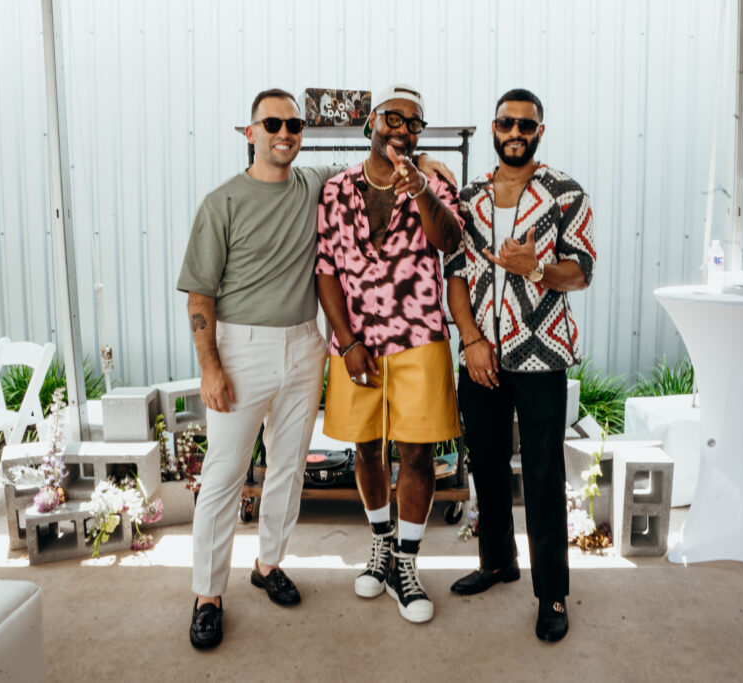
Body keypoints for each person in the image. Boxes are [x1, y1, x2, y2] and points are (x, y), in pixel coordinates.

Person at [177, 87, 452, 650]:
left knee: (287, 468)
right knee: (225, 474)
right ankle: (207, 595)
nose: (284, 133)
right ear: (250, 133)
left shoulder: (316, 184)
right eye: (272, 124)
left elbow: (393, 170)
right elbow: (200, 295)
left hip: (305, 343)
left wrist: (422, 163)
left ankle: (269, 565)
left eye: (294, 125)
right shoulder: (222, 202)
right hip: (243, 347)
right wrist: (210, 366)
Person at [444, 88, 595, 643]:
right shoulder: (470, 198)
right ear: (493, 128)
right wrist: (470, 340)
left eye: (525, 126)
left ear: (539, 132)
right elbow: (455, 274)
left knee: (542, 474)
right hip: (481, 353)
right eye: (506, 123)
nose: (515, 133)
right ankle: (497, 560)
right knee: (485, 462)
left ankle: (551, 591)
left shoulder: (565, 194)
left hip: (541, 355)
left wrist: (535, 268)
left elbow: (581, 271)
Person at [316, 83, 464, 624]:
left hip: (418, 338)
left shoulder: (434, 184)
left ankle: (406, 563)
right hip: (356, 344)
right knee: (365, 450)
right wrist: (348, 342)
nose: (403, 130)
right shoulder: (336, 190)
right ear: (371, 122)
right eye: (393, 119)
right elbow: (325, 270)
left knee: (417, 455)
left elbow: (450, 242)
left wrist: (421, 187)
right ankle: (380, 543)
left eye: (414, 123)